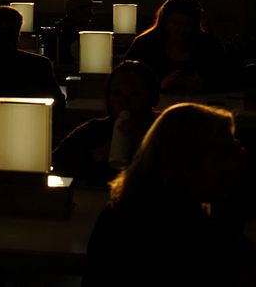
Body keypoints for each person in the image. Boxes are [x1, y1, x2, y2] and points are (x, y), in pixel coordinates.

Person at [83, 103, 253, 286]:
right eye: (224, 153)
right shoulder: (181, 234)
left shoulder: (127, 212)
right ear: (188, 163)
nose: (241, 156)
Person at [51, 61, 160, 186]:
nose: (124, 101)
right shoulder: (95, 131)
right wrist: (93, 156)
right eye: (117, 93)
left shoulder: (165, 129)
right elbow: (55, 164)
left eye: (134, 94)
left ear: (151, 97)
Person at [124, 0, 228, 92]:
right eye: (176, 23)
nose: (182, 29)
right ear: (165, 21)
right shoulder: (145, 45)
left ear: (196, 23)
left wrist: (205, 85)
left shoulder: (209, 45)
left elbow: (227, 78)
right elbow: (125, 79)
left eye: (187, 24)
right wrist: (159, 85)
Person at [46, 0, 101, 67]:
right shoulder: (66, 35)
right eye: (88, 10)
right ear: (78, 11)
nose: (92, 14)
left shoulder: (57, 32)